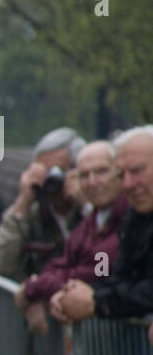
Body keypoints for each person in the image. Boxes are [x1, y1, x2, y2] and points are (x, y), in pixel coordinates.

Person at [14, 141, 125, 333]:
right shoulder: (88, 224)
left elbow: (97, 273)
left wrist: (35, 287)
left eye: (101, 172)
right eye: (84, 175)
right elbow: (59, 265)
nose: (92, 182)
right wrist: (53, 291)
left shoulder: (128, 219)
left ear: (120, 173)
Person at [51, 126, 153, 324]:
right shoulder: (131, 216)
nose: (93, 182)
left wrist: (94, 300)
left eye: (101, 172)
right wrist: (67, 295)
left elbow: (97, 268)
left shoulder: (123, 215)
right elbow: (117, 278)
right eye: (121, 174)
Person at [0, 127, 84, 280]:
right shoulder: (34, 216)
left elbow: (107, 262)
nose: (52, 181)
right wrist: (23, 202)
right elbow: (0, 265)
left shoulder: (93, 213)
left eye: (58, 172)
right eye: (46, 172)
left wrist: (87, 205)